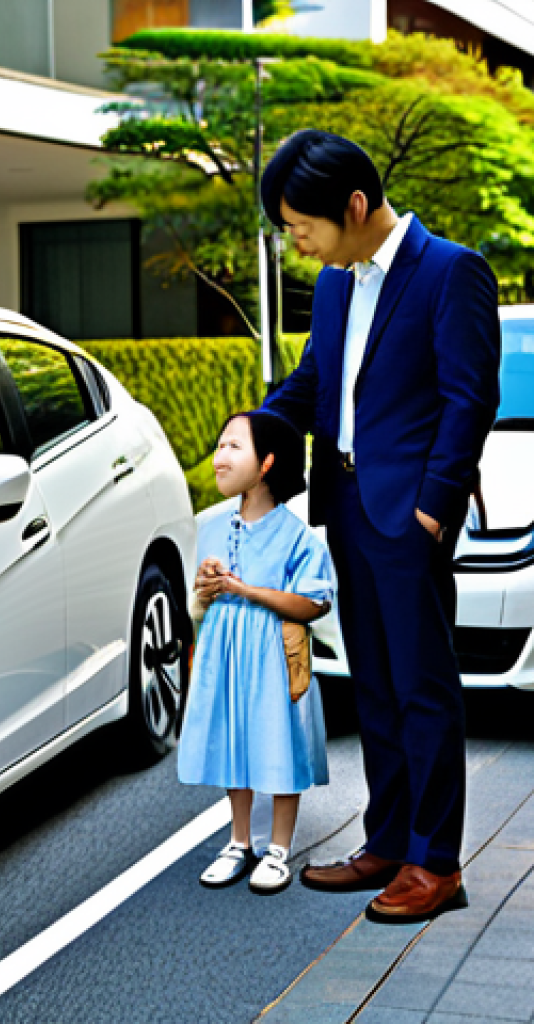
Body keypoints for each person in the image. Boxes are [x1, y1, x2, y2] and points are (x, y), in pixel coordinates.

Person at [260, 130, 501, 923]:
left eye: (302, 227)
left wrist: (435, 504)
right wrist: (250, 431)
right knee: (374, 688)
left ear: (354, 206)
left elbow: (470, 399)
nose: (297, 243)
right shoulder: (335, 285)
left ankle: (436, 864)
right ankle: (389, 841)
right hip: (347, 508)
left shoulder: (450, 271)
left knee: (424, 690)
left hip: (408, 517)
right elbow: (313, 382)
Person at [178, 410, 335, 895]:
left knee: (280, 742)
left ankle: (279, 849)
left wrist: (246, 591)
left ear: (266, 463)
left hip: (274, 655)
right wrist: (204, 593)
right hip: (225, 651)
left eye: (233, 447)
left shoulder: (297, 536)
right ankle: (239, 841)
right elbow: (198, 604)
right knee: (234, 739)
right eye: (219, 446)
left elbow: (313, 602)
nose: (218, 457)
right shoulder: (211, 526)